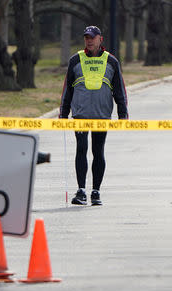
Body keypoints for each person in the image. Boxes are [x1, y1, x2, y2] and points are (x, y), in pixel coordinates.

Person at [59, 25, 128, 206]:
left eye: (92, 37)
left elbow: (119, 89)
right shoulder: (75, 60)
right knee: (81, 149)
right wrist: (63, 113)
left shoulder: (111, 62)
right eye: (86, 38)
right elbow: (68, 89)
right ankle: (81, 191)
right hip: (80, 115)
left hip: (102, 115)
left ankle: (96, 192)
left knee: (98, 151)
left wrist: (123, 114)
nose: (89, 41)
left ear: (100, 39)